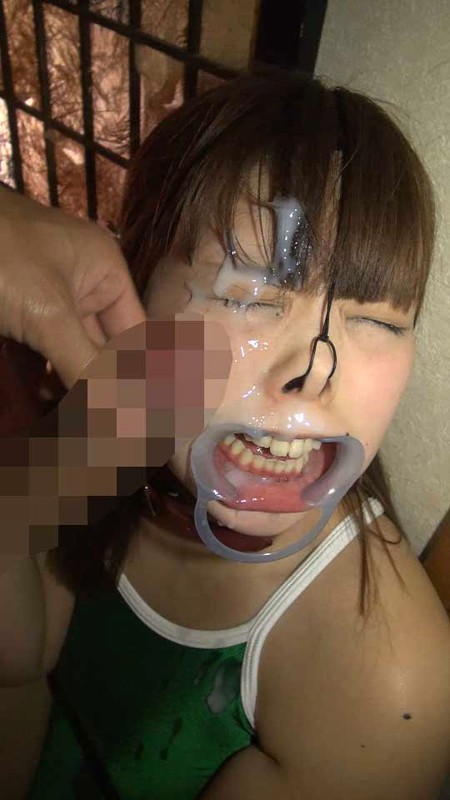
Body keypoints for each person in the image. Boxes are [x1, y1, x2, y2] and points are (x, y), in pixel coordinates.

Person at [1, 69, 449, 800]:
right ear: (130, 287)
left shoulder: (386, 686)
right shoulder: (106, 424)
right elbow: (17, 662)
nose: (313, 373)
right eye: (249, 296)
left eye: (377, 320)